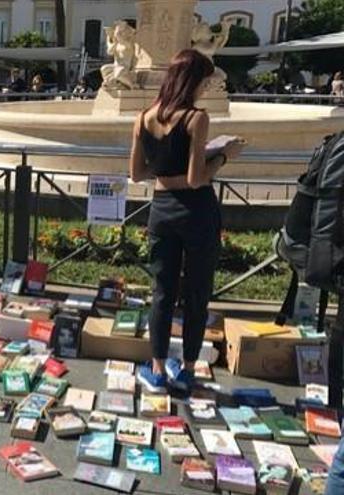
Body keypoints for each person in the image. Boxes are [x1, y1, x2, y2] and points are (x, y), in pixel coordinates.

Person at [128, 49, 245, 394]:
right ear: (193, 80)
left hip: (161, 208)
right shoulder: (196, 119)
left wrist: (165, 164)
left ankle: (158, 368)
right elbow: (197, 178)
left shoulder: (144, 117)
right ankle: (188, 369)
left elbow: (136, 173)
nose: (208, 86)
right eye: (206, 80)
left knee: (162, 292)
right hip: (196, 210)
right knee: (196, 292)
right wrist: (225, 155)